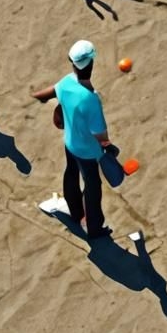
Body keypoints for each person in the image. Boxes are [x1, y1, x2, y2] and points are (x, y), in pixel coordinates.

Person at [31, 40, 113, 238]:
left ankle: (75, 212)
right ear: (91, 65)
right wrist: (109, 148)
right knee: (92, 187)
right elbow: (100, 134)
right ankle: (93, 228)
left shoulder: (66, 82)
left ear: (73, 64)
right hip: (88, 152)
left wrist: (36, 96)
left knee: (70, 174)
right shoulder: (91, 100)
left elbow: (46, 94)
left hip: (70, 143)